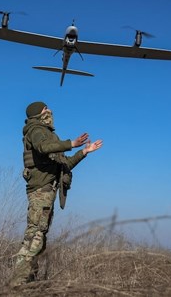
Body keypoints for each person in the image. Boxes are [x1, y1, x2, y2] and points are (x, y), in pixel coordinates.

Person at [9, 101, 103, 287]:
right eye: (45, 109)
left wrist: (83, 152)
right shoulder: (35, 130)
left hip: (48, 191)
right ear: (37, 113)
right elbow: (43, 148)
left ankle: (28, 282)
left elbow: (64, 164)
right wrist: (71, 143)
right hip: (40, 189)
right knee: (34, 236)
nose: (49, 111)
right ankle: (16, 284)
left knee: (39, 238)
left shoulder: (49, 135)